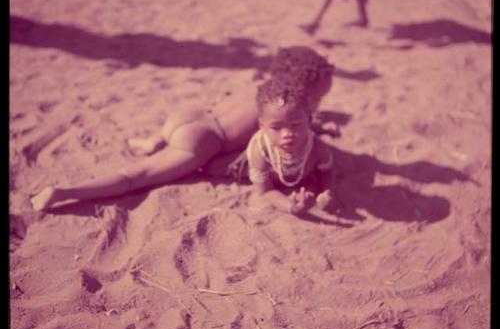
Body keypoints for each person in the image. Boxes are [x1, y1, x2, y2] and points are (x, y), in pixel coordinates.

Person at [30, 47, 335, 212]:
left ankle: (152, 141)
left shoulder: (263, 92)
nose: (318, 102)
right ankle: (62, 192)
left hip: (188, 117)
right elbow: (262, 142)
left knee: (157, 152)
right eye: (318, 97)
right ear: (301, 89)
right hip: (204, 141)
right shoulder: (283, 111)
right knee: (133, 178)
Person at [246, 76, 335, 215]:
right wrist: (290, 207)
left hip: (302, 177)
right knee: (218, 168)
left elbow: (326, 171)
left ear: (309, 121)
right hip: (266, 174)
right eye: (276, 127)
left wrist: (326, 192)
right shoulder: (261, 151)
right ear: (262, 126)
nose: (287, 133)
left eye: (296, 125)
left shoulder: (316, 147)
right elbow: (265, 190)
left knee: (310, 186)